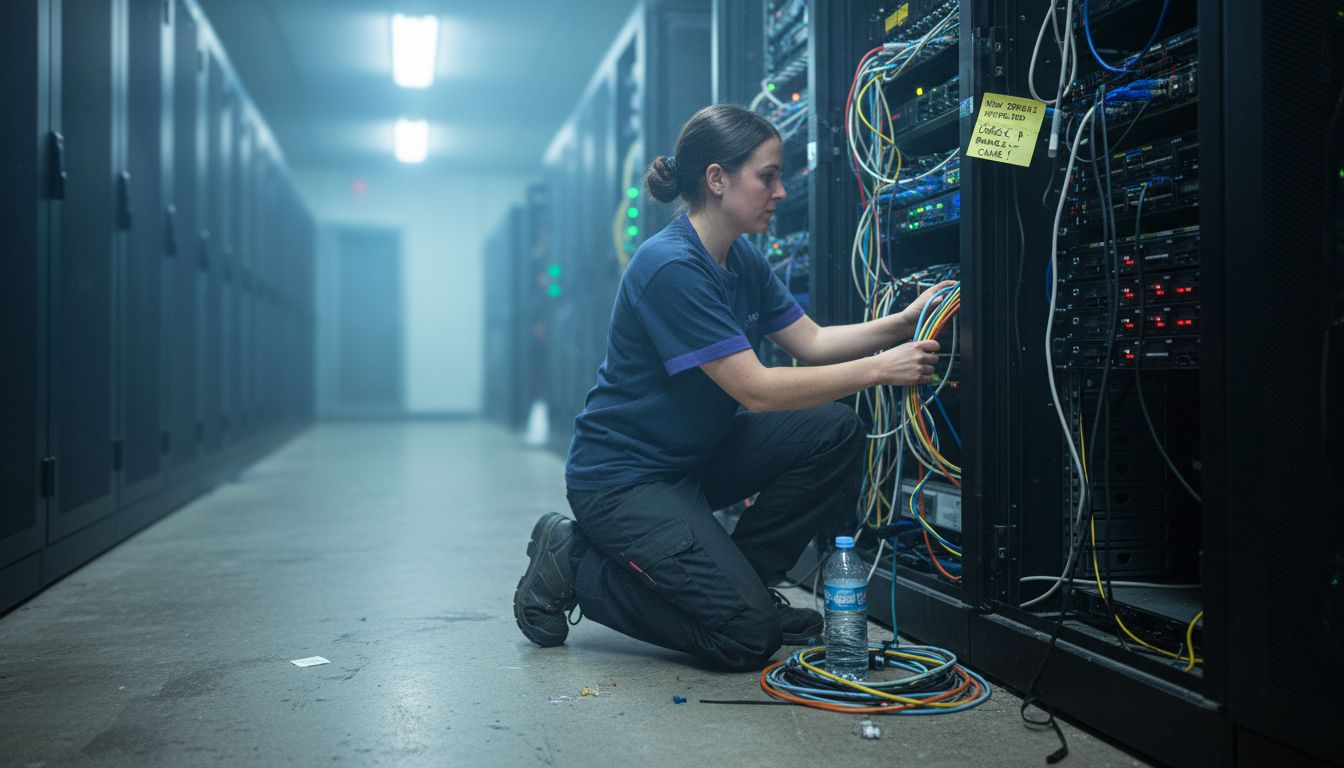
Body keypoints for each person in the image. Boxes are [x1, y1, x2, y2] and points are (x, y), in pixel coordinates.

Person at [513, 104, 951, 671]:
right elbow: (758, 391)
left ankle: (741, 585)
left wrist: (908, 319)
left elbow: (811, 342)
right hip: (624, 481)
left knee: (833, 429)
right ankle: (576, 562)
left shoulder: (738, 256)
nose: (781, 192)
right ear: (717, 179)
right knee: (745, 639)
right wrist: (882, 367)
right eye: (767, 176)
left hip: (692, 461)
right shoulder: (670, 267)